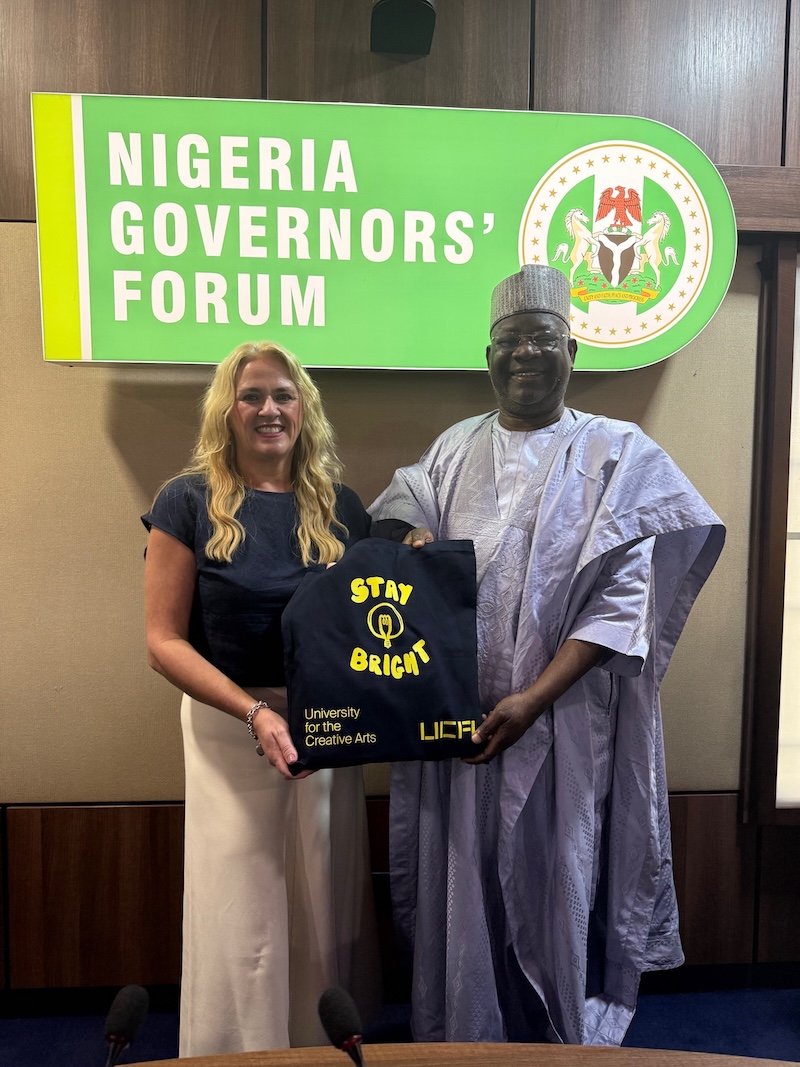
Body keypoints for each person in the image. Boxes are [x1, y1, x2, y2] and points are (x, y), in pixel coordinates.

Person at [369, 264, 725, 1046]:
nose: (524, 354)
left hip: (556, 724)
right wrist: (408, 538)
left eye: (540, 339)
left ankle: (553, 1043)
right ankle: (462, 1040)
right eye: (508, 341)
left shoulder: (616, 453)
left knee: (552, 886)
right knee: (463, 893)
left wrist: (533, 699)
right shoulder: (453, 448)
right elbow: (394, 511)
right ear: (487, 354)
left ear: (572, 348)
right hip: (457, 728)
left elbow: (622, 604)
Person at [142, 341, 381, 1056]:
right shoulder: (185, 500)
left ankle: (319, 1044)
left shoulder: (339, 506)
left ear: (302, 408)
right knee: (242, 901)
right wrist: (255, 712)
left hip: (324, 728)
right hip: (230, 724)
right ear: (228, 409)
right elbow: (163, 641)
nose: (268, 408)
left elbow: (370, 619)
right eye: (252, 395)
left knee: (319, 892)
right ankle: (237, 1050)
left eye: (283, 394)